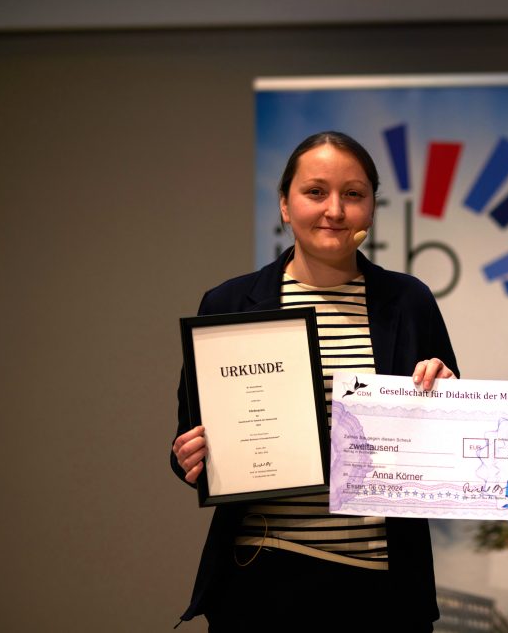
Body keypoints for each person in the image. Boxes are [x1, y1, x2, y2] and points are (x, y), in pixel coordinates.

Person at [170, 131, 458, 631]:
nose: (335, 210)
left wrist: (447, 397)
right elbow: (190, 441)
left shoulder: (409, 301)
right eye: (316, 192)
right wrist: (190, 456)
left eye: (354, 194)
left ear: (371, 208)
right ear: (285, 205)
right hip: (260, 579)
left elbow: (446, 448)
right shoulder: (230, 304)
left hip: (382, 587)